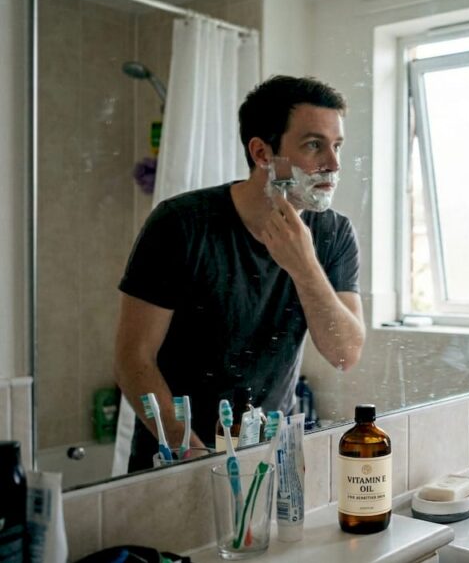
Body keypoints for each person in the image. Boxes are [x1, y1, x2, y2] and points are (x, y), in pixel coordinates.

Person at [114, 76, 365, 472]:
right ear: (263, 153)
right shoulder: (181, 224)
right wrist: (189, 453)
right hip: (174, 460)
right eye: (314, 145)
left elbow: (344, 354)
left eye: (336, 146)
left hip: (267, 457)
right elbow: (133, 358)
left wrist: (304, 266)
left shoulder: (334, 234)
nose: (333, 164)